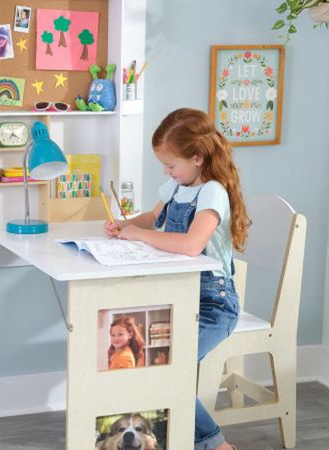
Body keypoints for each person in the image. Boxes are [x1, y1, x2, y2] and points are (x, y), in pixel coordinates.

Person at [104, 108, 250, 450]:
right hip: (178, 296)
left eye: (171, 165)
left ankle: (216, 445)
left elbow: (190, 244)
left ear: (197, 158)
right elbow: (154, 218)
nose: (166, 172)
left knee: (169, 369)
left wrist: (139, 236)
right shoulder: (177, 185)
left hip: (213, 303)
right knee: (152, 366)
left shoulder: (212, 192)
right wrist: (126, 226)